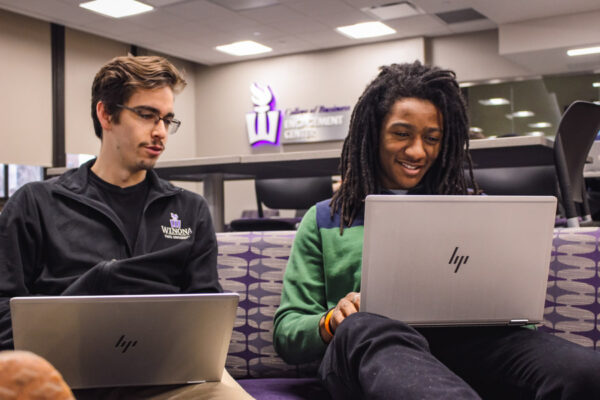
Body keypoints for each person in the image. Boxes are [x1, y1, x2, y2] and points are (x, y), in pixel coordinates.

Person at [273, 61, 600, 399]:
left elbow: (519, 316)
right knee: (365, 323)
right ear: (373, 134)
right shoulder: (326, 218)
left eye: (432, 138)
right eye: (401, 134)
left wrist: (503, 310)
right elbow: (286, 333)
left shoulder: (472, 210)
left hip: (465, 349)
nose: (418, 151)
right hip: (368, 352)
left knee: (585, 374)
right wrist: (331, 321)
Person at [0, 55, 252, 399]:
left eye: (167, 119)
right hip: (61, 380)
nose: (160, 131)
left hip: (169, 381)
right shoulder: (35, 204)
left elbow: (208, 314)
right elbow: (3, 311)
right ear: (106, 114)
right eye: (147, 115)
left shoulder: (189, 210)